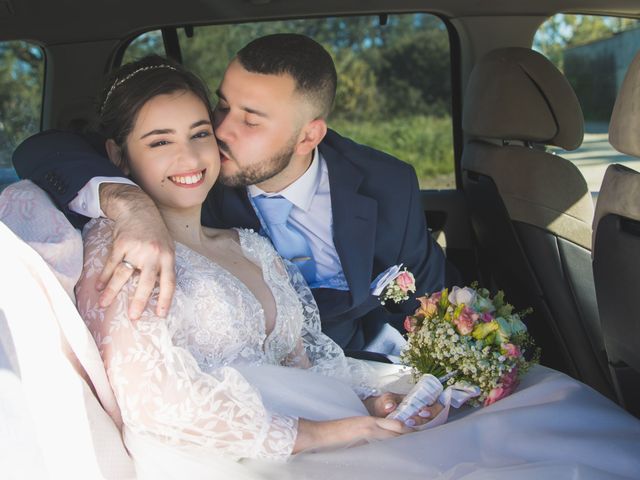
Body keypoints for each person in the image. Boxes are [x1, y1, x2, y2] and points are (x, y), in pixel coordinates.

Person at [70, 54, 442, 466]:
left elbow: (305, 361)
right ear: (118, 155)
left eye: (199, 134)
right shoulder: (123, 245)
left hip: (317, 430)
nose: (191, 158)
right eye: (160, 142)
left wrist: (370, 402)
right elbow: (152, 401)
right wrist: (325, 432)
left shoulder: (252, 247)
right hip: (219, 459)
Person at [13, 33, 451, 355]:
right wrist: (130, 204)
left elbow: (429, 305)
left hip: (361, 371)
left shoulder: (387, 184)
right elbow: (43, 150)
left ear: (308, 137)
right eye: (223, 104)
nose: (219, 130)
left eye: (251, 119)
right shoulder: (196, 175)